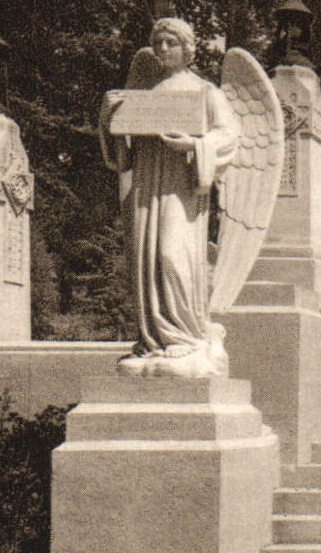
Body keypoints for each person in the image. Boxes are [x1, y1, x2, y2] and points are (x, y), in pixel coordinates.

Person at [99, 18, 240, 376]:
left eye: (171, 43)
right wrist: (108, 120)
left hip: (182, 185)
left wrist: (194, 144)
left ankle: (187, 336)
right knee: (147, 262)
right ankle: (154, 340)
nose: (163, 49)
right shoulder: (143, 96)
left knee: (171, 255)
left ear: (188, 49)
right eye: (158, 42)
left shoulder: (206, 92)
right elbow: (122, 158)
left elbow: (229, 137)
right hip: (148, 186)